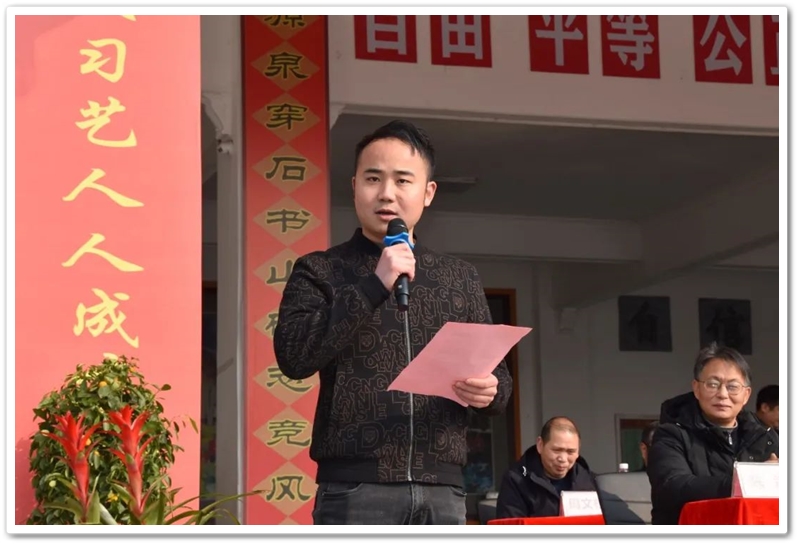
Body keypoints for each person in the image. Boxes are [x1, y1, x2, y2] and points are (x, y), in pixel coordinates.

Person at [273, 119, 513, 525]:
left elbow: (501, 384)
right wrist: (374, 284)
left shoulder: (459, 277)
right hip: (355, 487)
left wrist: (488, 390)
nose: (386, 193)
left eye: (402, 180)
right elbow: (294, 357)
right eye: (373, 179)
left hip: (443, 490)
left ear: (428, 192)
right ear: (354, 187)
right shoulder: (320, 269)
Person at [647, 343, 779, 525]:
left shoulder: (765, 437)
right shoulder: (670, 434)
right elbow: (672, 487)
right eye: (713, 384)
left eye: (733, 386)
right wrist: (749, 481)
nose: (723, 394)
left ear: (746, 395)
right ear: (696, 388)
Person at [495, 417, 597, 519]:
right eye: (557, 450)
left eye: (570, 452)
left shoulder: (589, 481)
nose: (563, 459)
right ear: (540, 445)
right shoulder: (516, 480)